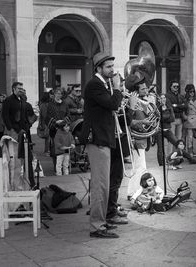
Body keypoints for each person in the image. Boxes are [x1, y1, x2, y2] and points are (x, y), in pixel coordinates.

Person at [80, 52, 123, 238]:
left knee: (104, 184)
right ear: (98, 68)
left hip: (104, 138)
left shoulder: (102, 84)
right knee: (100, 185)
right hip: (97, 139)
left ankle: (102, 222)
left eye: (113, 66)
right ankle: (97, 226)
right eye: (108, 67)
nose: (112, 70)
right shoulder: (95, 85)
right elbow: (112, 104)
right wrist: (118, 89)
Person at [125, 74, 152, 200]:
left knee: (140, 167)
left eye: (146, 88)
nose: (146, 91)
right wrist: (143, 122)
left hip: (143, 138)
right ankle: (133, 193)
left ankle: (134, 192)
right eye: (143, 89)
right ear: (136, 91)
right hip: (137, 139)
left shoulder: (142, 102)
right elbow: (129, 122)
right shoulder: (132, 102)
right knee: (140, 167)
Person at [156, 94, 178, 166]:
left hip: (168, 129)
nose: (163, 99)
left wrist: (164, 118)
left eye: (164, 98)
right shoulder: (157, 108)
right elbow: (158, 119)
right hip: (159, 130)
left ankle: (172, 158)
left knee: (177, 143)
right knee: (160, 147)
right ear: (159, 100)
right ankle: (161, 163)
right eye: (161, 98)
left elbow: (172, 119)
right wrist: (166, 117)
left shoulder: (169, 108)